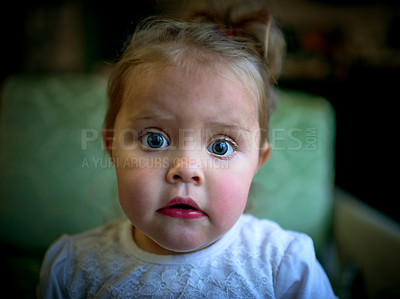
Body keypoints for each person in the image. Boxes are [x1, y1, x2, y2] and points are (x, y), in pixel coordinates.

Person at [39, 0, 338, 298]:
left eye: (221, 147)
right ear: (112, 147)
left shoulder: (284, 265)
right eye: (154, 139)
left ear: (258, 161)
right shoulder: (72, 267)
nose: (185, 168)